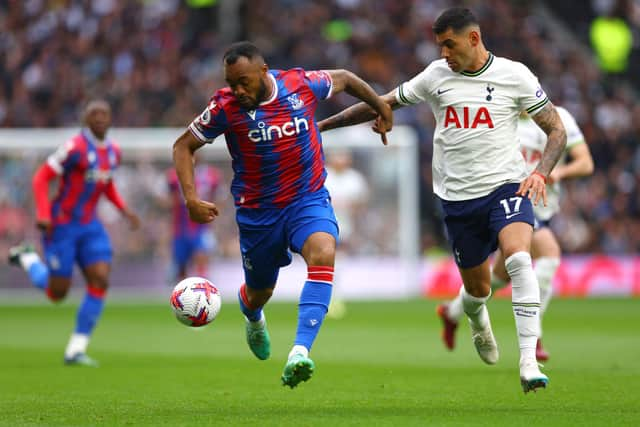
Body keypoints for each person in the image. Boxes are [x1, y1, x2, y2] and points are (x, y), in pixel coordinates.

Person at [317, 8, 567, 393]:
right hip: (457, 199)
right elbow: (382, 102)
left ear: (473, 38)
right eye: (440, 45)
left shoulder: (515, 75)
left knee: (519, 260)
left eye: (449, 44)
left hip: (507, 186)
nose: (443, 53)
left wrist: (540, 173)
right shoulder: (436, 76)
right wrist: (319, 127)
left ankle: (528, 361)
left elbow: (556, 130)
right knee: (477, 291)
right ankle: (474, 316)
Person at [172, 41, 392, 388]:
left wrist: (381, 106)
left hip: (307, 198)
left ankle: (299, 352)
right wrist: (190, 199)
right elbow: (183, 146)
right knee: (260, 291)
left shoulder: (298, 84)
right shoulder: (224, 107)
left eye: (244, 81)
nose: (238, 90)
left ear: (263, 71)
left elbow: (347, 79)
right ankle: (253, 315)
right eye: (232, 83)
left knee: (324, 250)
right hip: (258, 212)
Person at [437, 106, 594, 361]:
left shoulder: (560, 118)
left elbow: (586, 162)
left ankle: (451, 312)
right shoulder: (498, 116)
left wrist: (558, 173)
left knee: (498, 277)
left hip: (544, 207)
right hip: (512, 203)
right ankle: (535, 336)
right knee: (549, 255)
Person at [8, 100, 140, 366]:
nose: (100, 118)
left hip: (91, 226)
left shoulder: (113, 151)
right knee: (58, 293)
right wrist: (43, 214)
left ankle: (76, 349)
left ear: (111, 119)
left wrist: (124, 210)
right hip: (62, 225)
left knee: (100, 278)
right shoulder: (74, 148)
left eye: (104, 114)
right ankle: (28, 258)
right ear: (86, 120)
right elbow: (41, 177)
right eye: (94, 114)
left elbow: (107, 186)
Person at [323, 149, 370, 318]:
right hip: (324, 226)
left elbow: (362, 203)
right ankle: (328, 297)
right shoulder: (324, 176)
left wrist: (354, 209)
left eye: (343, 156)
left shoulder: (354, 179)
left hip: (346, 228)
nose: (341, 159)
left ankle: (335, 298)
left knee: (338, 263)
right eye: (338, 155)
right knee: (326, 262)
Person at [166, 161, 222, 281]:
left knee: (201, 256)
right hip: (180, 228)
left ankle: (203, 288)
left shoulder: (211, 175)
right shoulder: (174, 175)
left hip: (202, 227)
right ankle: (181, 293)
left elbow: (219, 198)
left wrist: (213, 215)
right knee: (181, 267)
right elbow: (167, 199)